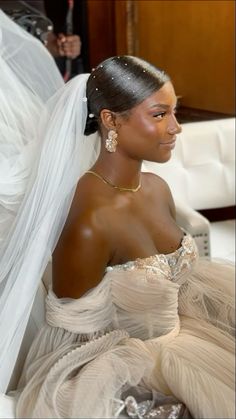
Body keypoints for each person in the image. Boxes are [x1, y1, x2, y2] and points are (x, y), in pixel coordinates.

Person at [0, 10, 234, 419]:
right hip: (129, 366)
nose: (176, 127)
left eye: (175, 112)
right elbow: (70, 337)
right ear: (110, 121)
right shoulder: (90, 220)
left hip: (190, 338)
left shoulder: (157, 189)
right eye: (160, 115)